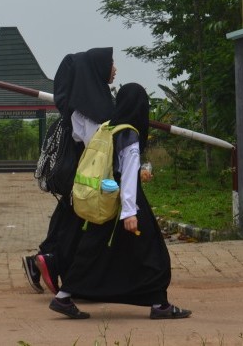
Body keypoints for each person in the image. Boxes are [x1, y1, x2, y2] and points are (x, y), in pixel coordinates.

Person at [47, 82, 192, 320]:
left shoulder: (107, 127)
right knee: (152, 251)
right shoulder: (130, 133)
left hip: (105, 197)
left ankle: (63, 297)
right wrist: (129, 212)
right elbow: (128, 174)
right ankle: (159, 304)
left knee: (93, 249)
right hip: (126, 200)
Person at [22, 47, 117, 295]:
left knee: (67, 215)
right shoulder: (93, 108)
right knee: (79, 224)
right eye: (111, 64)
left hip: (77, 177)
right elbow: (99, 146)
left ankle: (42, 259)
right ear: (97, 69)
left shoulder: (84, 102)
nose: (115, 69)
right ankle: (56, 265)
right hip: (89, 177)